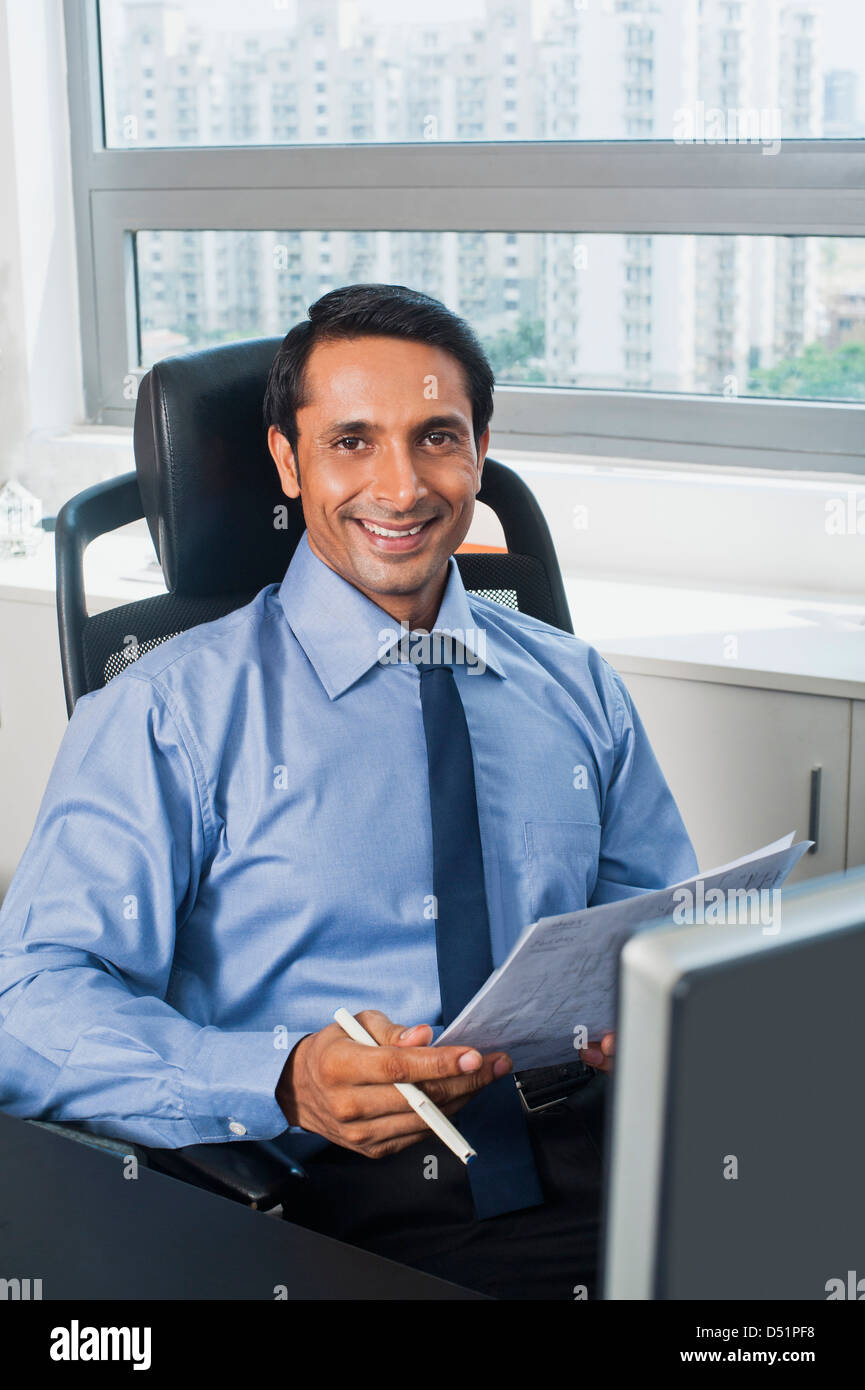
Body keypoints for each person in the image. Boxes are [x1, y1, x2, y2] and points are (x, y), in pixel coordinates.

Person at [0, 284, 697, 1299]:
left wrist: (660, 999)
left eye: (437, 438)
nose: (402, 486)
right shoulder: (168, 713)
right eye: (353, 441)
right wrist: (280, 1079)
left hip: (615, 1149)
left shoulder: (573, 681)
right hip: (356, 1197)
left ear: (481, 448)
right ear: (288, 460)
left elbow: (667, 935)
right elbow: (28, 1006)